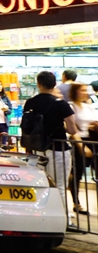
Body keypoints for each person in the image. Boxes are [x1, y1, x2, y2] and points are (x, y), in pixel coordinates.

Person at [22, 70, 78, 216]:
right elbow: (72, 129)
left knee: (42, 184)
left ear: (39, 84)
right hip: (58, 149)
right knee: (59, 185)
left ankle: (43, 216)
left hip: (37, 149)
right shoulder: (61, 104)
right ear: (54, 84)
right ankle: (62, 218)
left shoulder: (30, 102)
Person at [67, 83, 97, 215]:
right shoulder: (71, 106)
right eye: (82, 90)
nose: (85, 92)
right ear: (75, 92)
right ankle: (76, 202)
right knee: (77, 173)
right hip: (79, 141)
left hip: (93, 140)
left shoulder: (88, 107)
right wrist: (81, 146)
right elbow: (71, 128)